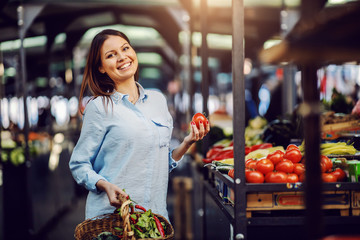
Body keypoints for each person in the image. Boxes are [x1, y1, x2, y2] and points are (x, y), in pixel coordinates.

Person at [69, 29, 210, 222]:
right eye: (111, 55)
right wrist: (104, 185)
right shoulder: (99, 107)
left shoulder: (158, 100)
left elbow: (160, 162)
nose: (122, 57)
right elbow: (79, 164)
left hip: (154, 218)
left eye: (125, 48)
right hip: (113, 219)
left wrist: (187, 142)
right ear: (101, 67)